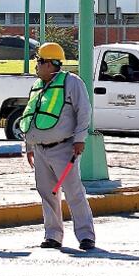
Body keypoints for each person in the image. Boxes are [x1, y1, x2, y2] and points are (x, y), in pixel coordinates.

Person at [19, 42, 97, 250]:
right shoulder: (37, 86)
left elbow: (84, 111)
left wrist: (80, 139)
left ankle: (86, 236)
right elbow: (31, 117)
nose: (36, 66)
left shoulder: (72, 82)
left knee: (74, 193)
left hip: (64, 149)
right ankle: (53, 235)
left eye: (38, 62)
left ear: (49, 64)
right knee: (47, 193)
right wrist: (29, 145)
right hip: (40, 150)